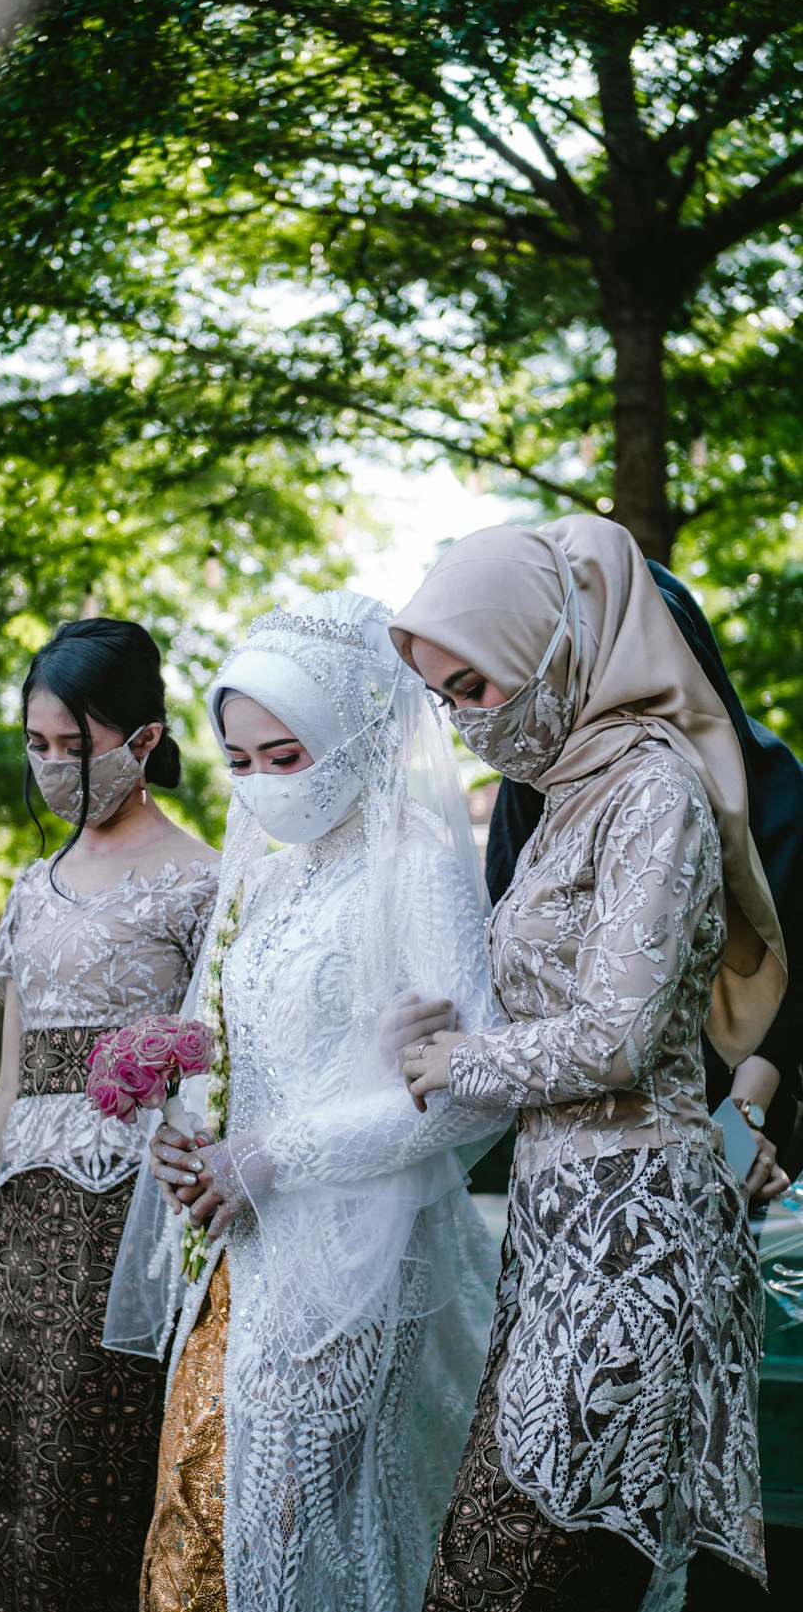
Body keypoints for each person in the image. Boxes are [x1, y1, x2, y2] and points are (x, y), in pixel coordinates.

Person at [392, 515, 787, 1609]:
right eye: (444, 695)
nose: (465, 718)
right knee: (509, 1569)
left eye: (474, 684)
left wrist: (457, 1057)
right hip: (554, 1221)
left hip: (638, 1227)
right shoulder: (562, 791)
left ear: (550, 644)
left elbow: (616, 1034)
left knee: (516, 1576)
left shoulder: (653, 787)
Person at [105, 591, 510, 1612]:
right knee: (207, 1519)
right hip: (245, 1252)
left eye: (283, 756)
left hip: (363, 1254)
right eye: (238, 763)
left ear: (353, 729)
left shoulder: (416, 862)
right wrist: (192, 1134)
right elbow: (237, 1054)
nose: (260, 787)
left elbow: (469, 1093)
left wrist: (275, 1153)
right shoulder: (271, 887)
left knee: (310, 1527)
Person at [0, 617, 219, 1612]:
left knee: (98, 1486)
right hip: (24, 1241)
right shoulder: (28, 890)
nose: (51, 765)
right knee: (11, 1486)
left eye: (71, 746)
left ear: (141, 740)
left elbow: (224, 1063)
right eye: (35, 745)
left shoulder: (206, 880)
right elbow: (11, 1086)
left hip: (132, 1226)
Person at [486, 558, 803, 1189]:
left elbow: (792, 949)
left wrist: (749, 1109)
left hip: (745, 1092)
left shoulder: (772, 781)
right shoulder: (534, 783)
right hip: (579, 1115)